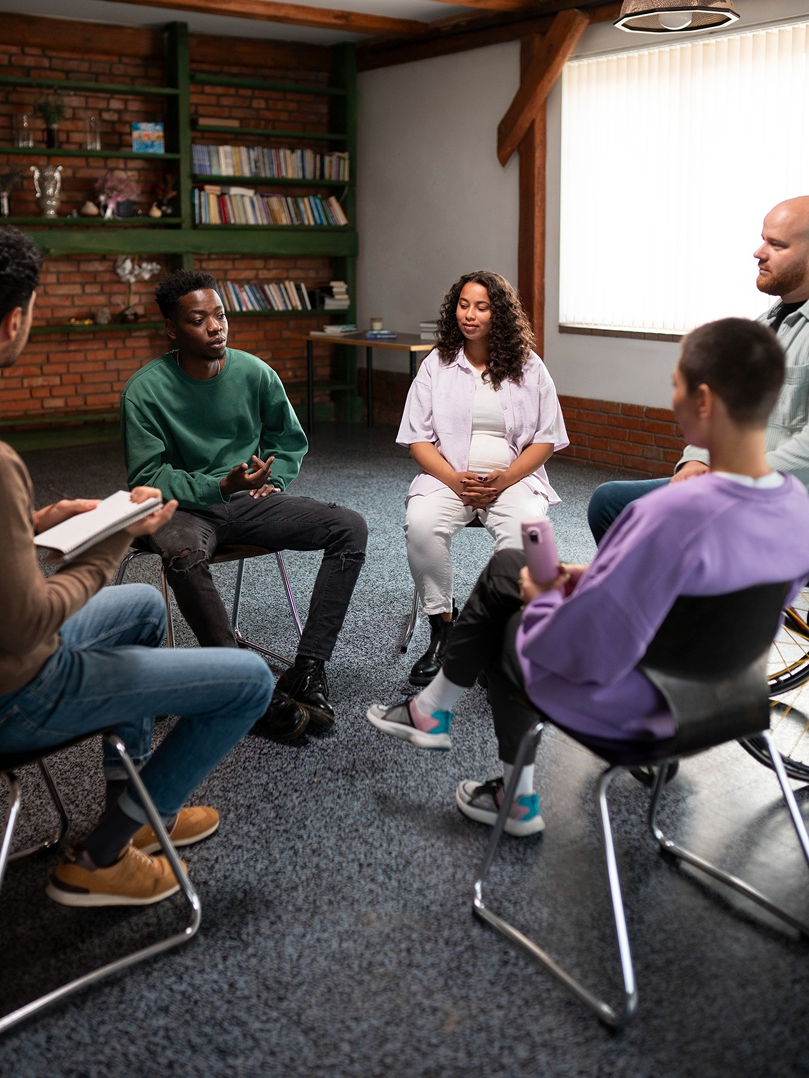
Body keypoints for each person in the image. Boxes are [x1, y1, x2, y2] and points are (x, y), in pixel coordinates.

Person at [366, 317, 809, 837]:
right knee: (510, 565)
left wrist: (542, 598)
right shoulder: (796, 508)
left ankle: (511, 794)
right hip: (730, 700)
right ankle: (430, 711)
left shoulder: (668, 514)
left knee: (509, 624)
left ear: (704, 401)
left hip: (639, 708)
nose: (673, 400)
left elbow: (587, 646)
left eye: (677, 385)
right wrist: (594, 576)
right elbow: (689, 593)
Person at [0, 226, 274, 904]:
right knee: (249, 682)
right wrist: (112, 541)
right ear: (13, 322)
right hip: (18, 691)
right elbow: (26, 624)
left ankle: (140, 809)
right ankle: (100, 859)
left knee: (146, 606)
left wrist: (34, 522)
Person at [120, 270, 368, 742]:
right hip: (181, 510)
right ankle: (245, 688)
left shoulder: (254, 372)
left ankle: (308, 670)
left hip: (246, 501)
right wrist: (218, 485)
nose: (216, 327)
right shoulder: (144, 391)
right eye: (199, 320)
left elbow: (288, 439)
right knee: (184, 557)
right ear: (172, 329)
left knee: (349, 527)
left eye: (220, 314)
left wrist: (272, 480)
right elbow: (147, 478)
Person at [588, 196, 809, 545]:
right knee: (612, 502)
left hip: (783, 496)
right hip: (728, 479)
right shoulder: (761, 327)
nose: (758, 252)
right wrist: (696, 463)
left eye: (776, 244)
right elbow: (720, 411)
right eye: (762, 239)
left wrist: (732, 477)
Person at [396, 269, 568, 686]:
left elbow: (546, 440)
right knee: (421, 524)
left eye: (481, 307)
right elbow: (418, 439)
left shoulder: (529, 366)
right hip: (447, 476)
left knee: (525, 536)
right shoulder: (436, 365)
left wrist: (503, 480)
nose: (469, 315)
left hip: (513, 479)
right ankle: (443, 630)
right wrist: (456, 481)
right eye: (463, 305)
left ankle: (495, 637)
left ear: (500, 314)